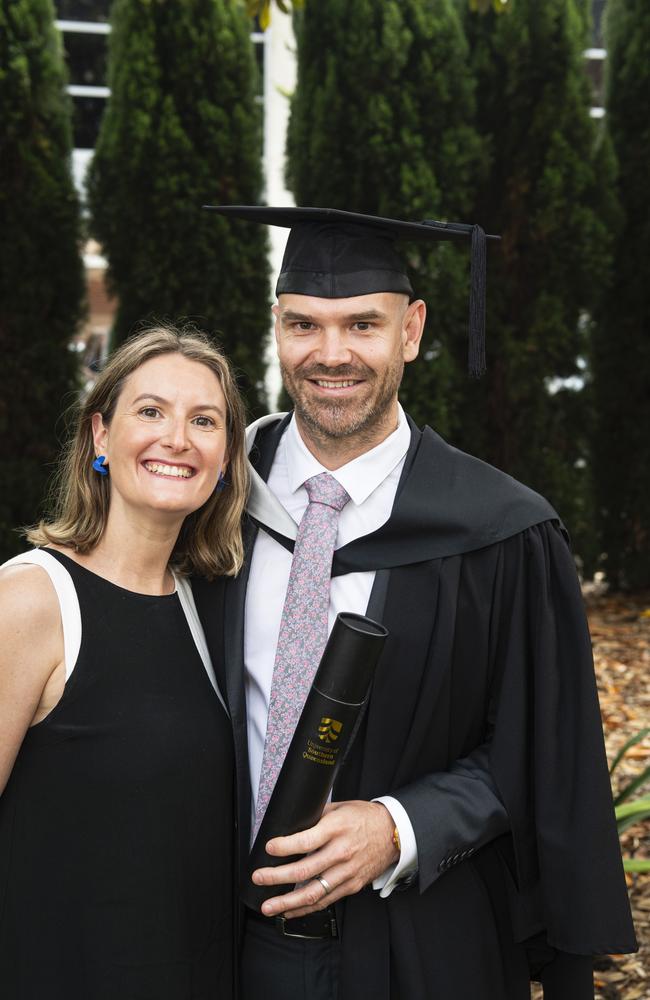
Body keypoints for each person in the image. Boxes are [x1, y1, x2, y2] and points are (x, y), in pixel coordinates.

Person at [193, 207, 637, 1000]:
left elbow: (543, 747)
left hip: (421, 950)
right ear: (276, 327)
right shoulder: (211, 500)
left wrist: (402, 825)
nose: (331, 355)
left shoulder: (503, 532)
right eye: (305, 324)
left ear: (412, 330)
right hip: (223, 945)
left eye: (363, 323)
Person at [0, 325, 248, 999]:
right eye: (151, 411)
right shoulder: (31, 600)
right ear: (100, 437)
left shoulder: (210, 612)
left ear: (225, 457)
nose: (177, 438)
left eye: (205, 420)